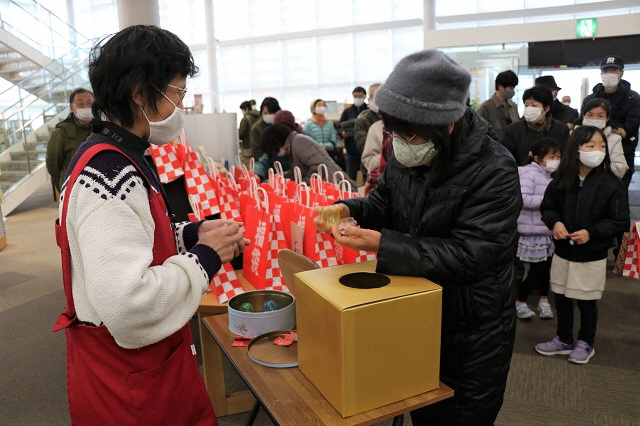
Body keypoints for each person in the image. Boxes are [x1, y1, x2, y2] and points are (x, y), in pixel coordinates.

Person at [52, 25, 249, 424]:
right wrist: (207, 258)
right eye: (175, 95)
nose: (180, 107)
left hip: (138, 370)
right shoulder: (108, 176)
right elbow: (129, 302)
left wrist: (192, 235)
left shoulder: (117, 156)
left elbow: (134, 240)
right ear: (141, 95)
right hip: (130, 386)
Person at [315, 49, 522, 425]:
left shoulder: (495, 169)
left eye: (407, 133)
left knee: (459, 417)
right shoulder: (408, 154)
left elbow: (471, 255)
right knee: (420, 410)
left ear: (447, 124)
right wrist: (349, 209)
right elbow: (383, 202)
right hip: (412, 311)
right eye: (392, 131)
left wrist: (383, 245)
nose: (398, 142)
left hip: (470, 331)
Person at [536, 126, 628, 364]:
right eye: (591, 146)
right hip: (564, 252)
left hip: (592, 254)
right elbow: (548, 208)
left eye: (602, 146)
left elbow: (618, 220)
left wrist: (592, 232)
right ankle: (564, 339)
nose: (598, 151)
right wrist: (555, 223)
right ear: (576, 148)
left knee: (587, 302)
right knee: (562, 298)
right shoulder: (561, 180)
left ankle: (586, 342)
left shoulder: (611, 183)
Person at [514, 138, 561, 320]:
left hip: (545, 230)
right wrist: (549, 202)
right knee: (537, 270)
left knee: (545, 268)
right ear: (538, 158)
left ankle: (543, 300)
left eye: (558, 156)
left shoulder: (547, 175)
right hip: (532, 231)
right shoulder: (529, 174)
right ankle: (521, 300)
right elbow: (523, 198)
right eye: (552, 156)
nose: (556, 160)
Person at [581, 55, 640, 186]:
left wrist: (612, 130)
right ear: (601, 73)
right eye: (606, 70)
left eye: (614, 70)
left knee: (619, 192)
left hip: (623, 153)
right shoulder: (591, 98)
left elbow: (631, 128)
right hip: (591, 152)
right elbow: (582, 121)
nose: (609, 74)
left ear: (621, 73)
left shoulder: (633, 98)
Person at [258, 122, 355, 187]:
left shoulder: (299, 142)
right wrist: (279, 178)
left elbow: (318, 167)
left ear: (277, 142)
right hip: (328, 186)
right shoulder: (293, 146)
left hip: (335, 186)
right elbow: (298, 171)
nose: (276, 153)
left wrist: (302, 184)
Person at [500, 85, 570, 166]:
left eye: (534, 105)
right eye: (526, 105)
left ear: (546, 108)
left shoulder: (560, 129)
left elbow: (565, 157)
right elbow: (506, 159)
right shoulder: (514, 130)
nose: (529, 109)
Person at [46, 88, 94, 192]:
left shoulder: (101, 130)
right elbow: (53, 165)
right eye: (80, 104)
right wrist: (62, 185)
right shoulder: (61, 132)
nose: (86, 107)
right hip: (72, 191)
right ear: (72, 108)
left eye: (90, 103)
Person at [574, 98, 628, 180]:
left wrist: (591, 165)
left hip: (603, 184)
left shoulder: (615, 139)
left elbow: (620, 169)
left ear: (607, 118)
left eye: (600, 116)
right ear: (583, 115)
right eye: (590, 115)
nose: (594, 119)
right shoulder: (572, 135)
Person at [476, 70, 520, 140]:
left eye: (514, 88)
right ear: (500, 87)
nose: (513, 91)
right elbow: (478, 133)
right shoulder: (485, 107)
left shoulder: (513, 106)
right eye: (511, 88)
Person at [337, 86, 368, 180]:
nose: (358, 98)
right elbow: (338, 127)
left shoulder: (368, 111)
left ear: (364, 96)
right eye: (355, 96)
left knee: (367, 176)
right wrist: (342, 133)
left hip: (366, 148)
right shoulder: (347, 111)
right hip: (351, 148)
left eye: (360, 96)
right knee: (351, 176)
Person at [354, 83, 382, 158]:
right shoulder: (362, 120)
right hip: (373, 165)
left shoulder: (393, 118)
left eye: (377, 96)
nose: (374, 99)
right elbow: (364, 148)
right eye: (372, 97)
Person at [238, 100, 260, 166]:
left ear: (246, 109)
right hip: (258, 148)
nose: (242, 112)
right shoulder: (259, 117)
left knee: (247, 169)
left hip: (247, 148)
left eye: (242, 110)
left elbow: (241, 134)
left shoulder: (245, 119)